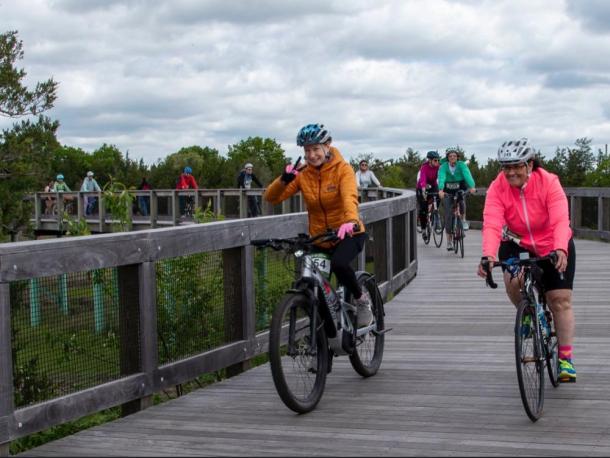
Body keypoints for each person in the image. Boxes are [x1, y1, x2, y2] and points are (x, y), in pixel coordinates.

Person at [477, 138, 576, 382]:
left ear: (530, 164)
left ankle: (565, 359)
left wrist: (561, 249)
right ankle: (528, 313)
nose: (510, 172)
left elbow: (561, 220)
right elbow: (491, 223)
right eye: (506, 167)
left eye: (516, 166)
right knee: (513, 280)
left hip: (552, 242)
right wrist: (488, 255)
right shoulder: (497, 188)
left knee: (559, 299)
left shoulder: (549, 182)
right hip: (516, 242)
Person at [264, 123, 373, 327]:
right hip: (321, 238)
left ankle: (361, 300)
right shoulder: (304, 173)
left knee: (340, 265)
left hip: (349, 233)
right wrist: (284, 179)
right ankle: (324, 337)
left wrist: (350, 221)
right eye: (307, 151)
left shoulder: (343, 169)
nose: (311, 155)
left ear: (327, 145)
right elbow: (271, 198)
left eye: (315, 149)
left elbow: (350, 196)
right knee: (316, 286)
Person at [438, 148, 476, 250]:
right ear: (447, 158)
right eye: (450, 156)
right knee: (448, 216)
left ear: (457, 157)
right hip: (447, 190)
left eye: (454, 156)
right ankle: (449, 241)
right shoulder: (443, 167)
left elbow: (467, 175)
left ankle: (463, 220)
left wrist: (472, 186)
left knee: (462, 202)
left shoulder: (462, 165)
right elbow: (441, 177)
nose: (452, 158)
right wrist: (441, 189)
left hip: (460, 188)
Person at [416, 151, 441, 241]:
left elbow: (441, 177)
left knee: (439, 196)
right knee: (423, 209)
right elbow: (422, 178)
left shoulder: (438, 167)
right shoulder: (424, 167)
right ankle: (423, 230)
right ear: (430, 160)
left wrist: (442, 188)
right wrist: (423, 189)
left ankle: (435, 212)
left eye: (438, 160)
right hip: (422, 186)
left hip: (433, 185)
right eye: (435, 160)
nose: (437, 162)